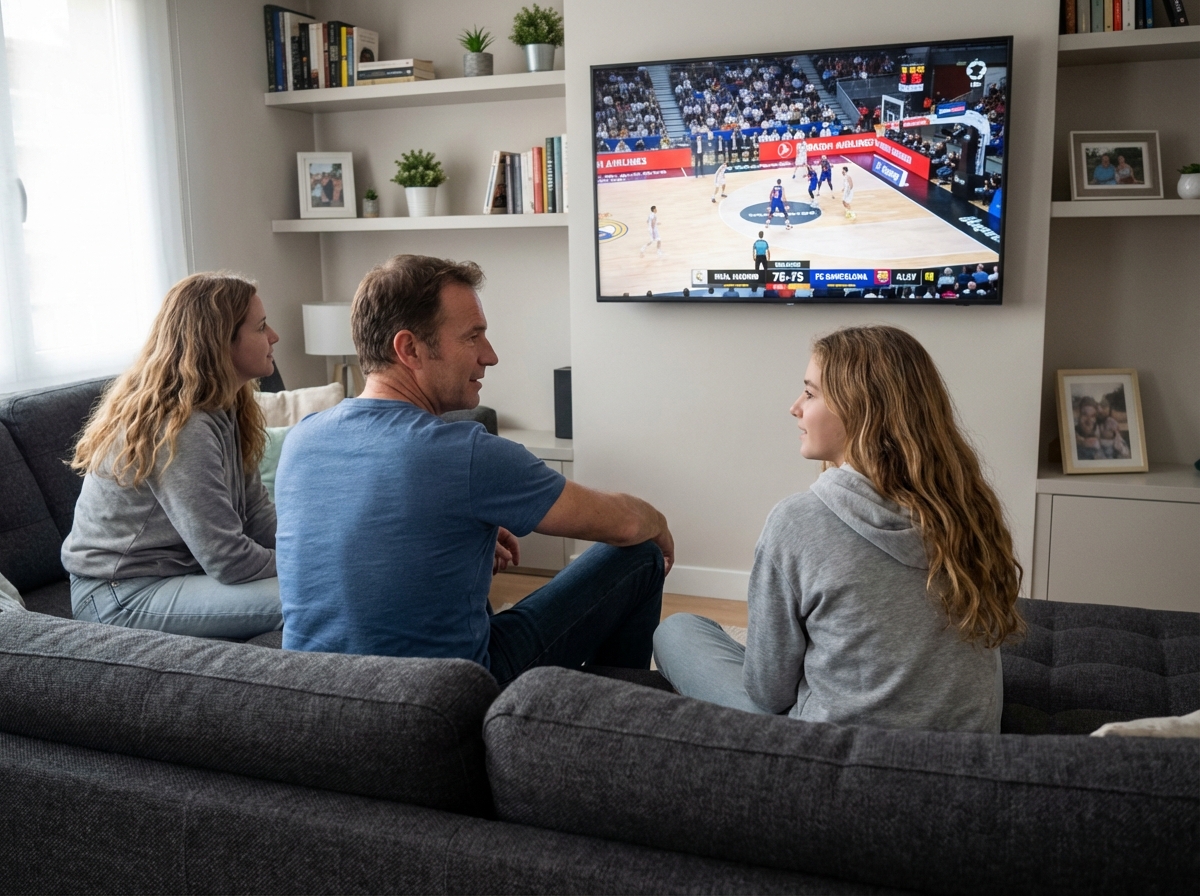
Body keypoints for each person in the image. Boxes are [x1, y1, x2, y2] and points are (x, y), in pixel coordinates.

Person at [275, 255, 673, 685]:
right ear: (409, 349)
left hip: (312, 697)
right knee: (639, 554)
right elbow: (624, 524)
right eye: (473, 336)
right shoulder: (466, 453)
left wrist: (463, 531)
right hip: (445, 697)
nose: (491, 356)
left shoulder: (301, 439)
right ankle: (614, 718)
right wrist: (658, 522)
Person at [653, 326, 1024, 733]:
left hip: (832, 754)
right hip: (963, 751)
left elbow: (768, 694)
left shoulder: (797, 521)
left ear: (860, 410)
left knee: (678, 631)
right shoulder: (968, 506)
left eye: (810, 394)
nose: (795, 407)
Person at [62, 274, 283, 638]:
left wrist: (319, 552)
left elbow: (257, 514)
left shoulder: (228, 406)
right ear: (219, 342)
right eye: (260, 328)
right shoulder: (182, 425)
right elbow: (228, 559)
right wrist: (307, 566)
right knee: (311, 598)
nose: (273, 336)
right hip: (118, 595)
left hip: (177, 575)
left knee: (327, 586)